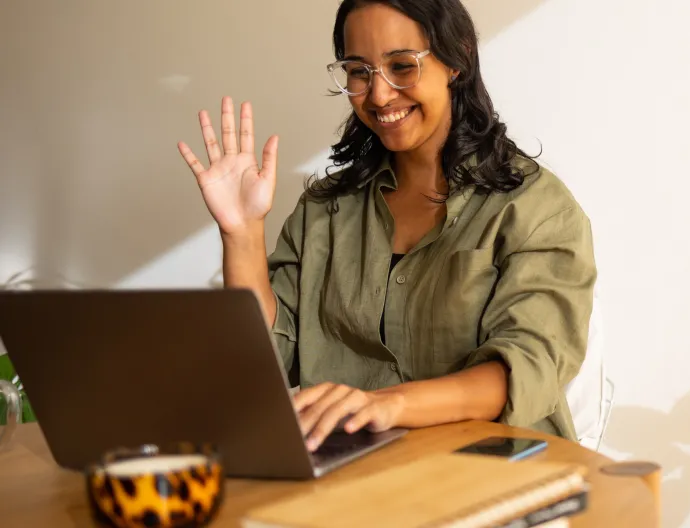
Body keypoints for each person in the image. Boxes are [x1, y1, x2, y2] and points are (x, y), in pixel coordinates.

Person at [177, 0, 597, 452]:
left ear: (458, 57)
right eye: (359, 72)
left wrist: (386, 405)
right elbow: (264, 365)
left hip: (493, 478)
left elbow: (526, 367)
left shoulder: (534, 208)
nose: (379, 95)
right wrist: (241, 234)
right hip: (352, 474)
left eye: (402, 65)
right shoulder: (325, 209)